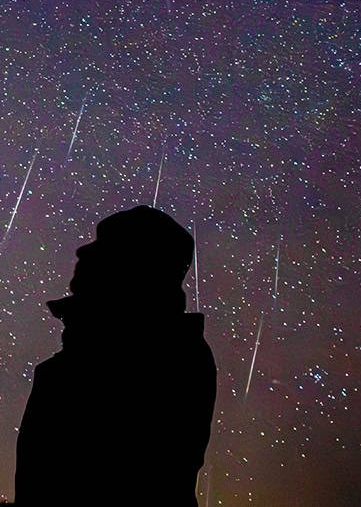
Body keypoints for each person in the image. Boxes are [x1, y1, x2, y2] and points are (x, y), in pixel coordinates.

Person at [15, 206, 216, 505]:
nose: (83, 250)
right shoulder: (89, 355)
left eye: (105, 246)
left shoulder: (162, 360)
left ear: (137, 266)